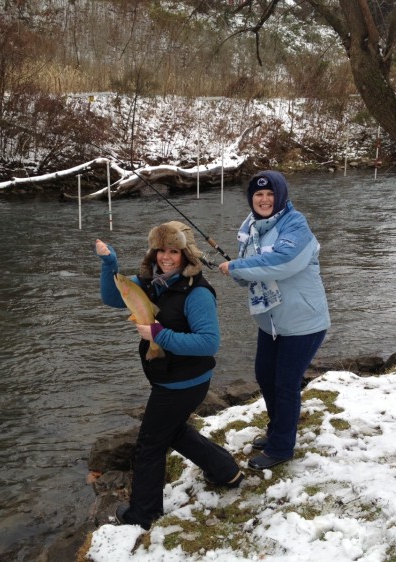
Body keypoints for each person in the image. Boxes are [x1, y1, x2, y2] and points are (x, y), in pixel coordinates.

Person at [95, 221, 243, 531]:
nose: (166, 257)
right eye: (161, 250)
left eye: (173, 251)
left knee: (149, 444)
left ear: (186, 255)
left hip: (183, 384)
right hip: (169, 380)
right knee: (174, 431)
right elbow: (112, 297)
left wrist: (159, 334)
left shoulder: (198, 293)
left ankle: (144, 514)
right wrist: (110, 264)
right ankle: (226, 470)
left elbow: (209, 343)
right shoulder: (151, 282)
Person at [218, 170, 330, 471]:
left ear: (280, 196)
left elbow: (284, 262)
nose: (264, 199)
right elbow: (250, 277)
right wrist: (237, 271)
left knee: (285, 384)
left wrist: (239, 266)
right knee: (265, 376)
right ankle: (276, 431)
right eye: (258, 195)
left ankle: (282, 447)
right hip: (270, 322)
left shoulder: (296, 225)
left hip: (304, 320)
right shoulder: (251, 228)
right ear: (251, 199)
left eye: (270, 194)